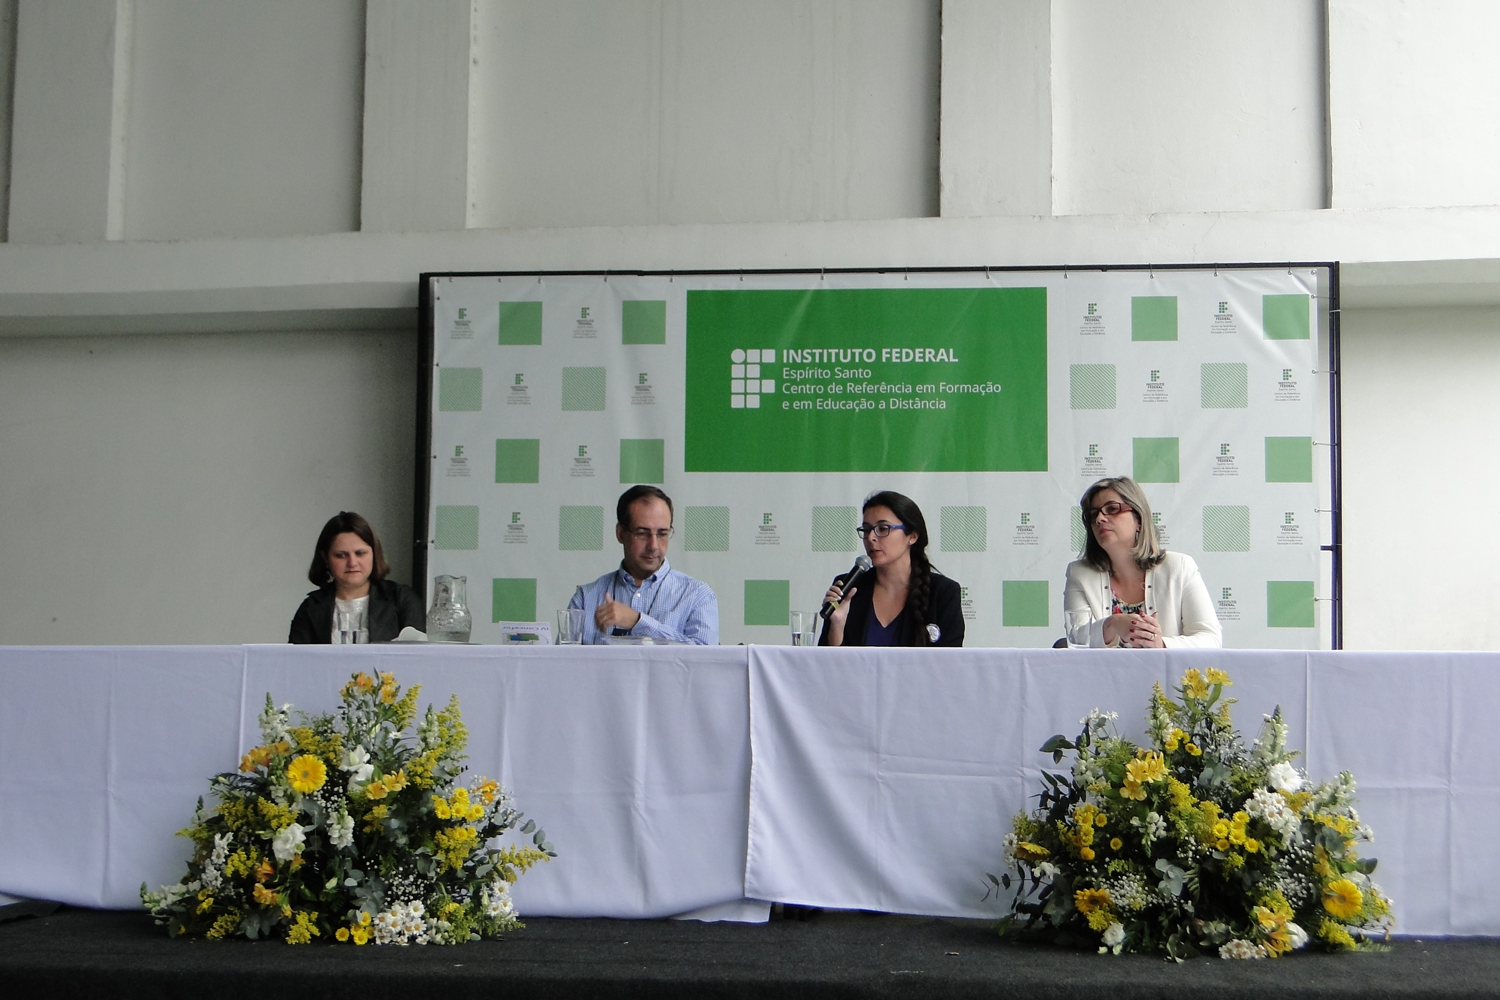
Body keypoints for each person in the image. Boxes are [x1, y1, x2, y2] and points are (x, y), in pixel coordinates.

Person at [1063, 477, 1222, 648]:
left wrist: (1161, 644)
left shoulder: (1180, 567)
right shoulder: (1079, 573)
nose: (1099, 519)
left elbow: (1211, 639)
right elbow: (1076, 639)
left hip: (1165, 667)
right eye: (1093, 514)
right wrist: (1112, 624)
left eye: (1112, 509)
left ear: (1138, 519)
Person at [568, 485, 719, 644]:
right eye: (642, 533)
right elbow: (562, 658)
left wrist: (637, 621)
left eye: (662, 534)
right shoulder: (586, 598)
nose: (653, 545)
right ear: (620, 534)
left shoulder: (697, 595)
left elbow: (705, 656)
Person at [819, 491, 964, 647]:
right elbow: (825, 660)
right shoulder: (849, 586)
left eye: (883, 528)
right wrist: (837, 624)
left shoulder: (943, 592)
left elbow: (951, 659)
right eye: (866, 529)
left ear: (912, 536)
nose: (871, 538)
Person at [288, 511, 426, 644]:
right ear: (325, 558)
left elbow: (418, 655)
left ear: (374, 554)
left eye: (360, 553)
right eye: (341, 555)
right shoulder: (310, 607)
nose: (352, 563)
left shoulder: (401, 599)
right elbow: (296, 658)